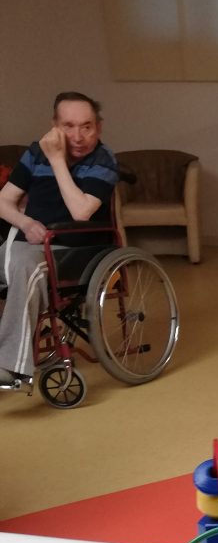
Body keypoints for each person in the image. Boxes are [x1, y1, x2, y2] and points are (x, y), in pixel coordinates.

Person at [0, 92, 118, 385]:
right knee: (22, 260)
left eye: (86, 126)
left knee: (25, 266)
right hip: (28, 244)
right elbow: (3, 201)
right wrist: (26, 222)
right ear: (55, 126)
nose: (77, 136)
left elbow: (81, 212)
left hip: (77, 251)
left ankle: (10, 366)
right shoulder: (35, 153)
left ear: (99, 127)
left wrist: (56, 159)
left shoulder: (103, 159)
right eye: (68, 126)